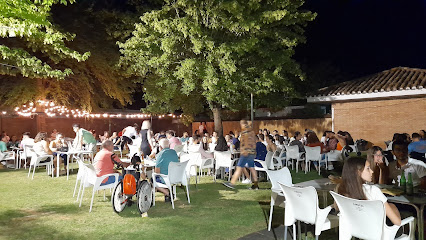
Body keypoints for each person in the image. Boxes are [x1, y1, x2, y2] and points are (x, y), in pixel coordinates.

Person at [335, 157, 401, 226]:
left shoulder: (341, 188)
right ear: (358, 172)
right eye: (368, 168)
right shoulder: (373, 190)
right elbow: (397, 222)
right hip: (380, 233)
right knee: (393, 207)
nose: (372, 171)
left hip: (356, 229)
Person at [223, 120, 259, 190]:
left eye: (241, 124)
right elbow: (254, 143)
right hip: (251, 152)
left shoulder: (245, 132)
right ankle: (256, 185)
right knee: (252, 168)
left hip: (245, 153)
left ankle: (232, 183)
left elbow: (244, 143)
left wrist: (243, 151)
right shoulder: (252, 132)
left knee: (239, 167)